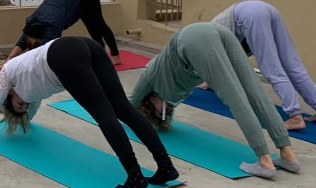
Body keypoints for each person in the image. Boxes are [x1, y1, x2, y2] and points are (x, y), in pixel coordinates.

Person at [0, 36, 179, 188]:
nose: (24, 104)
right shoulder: (29, 89)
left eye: (18, 103)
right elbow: (30, 112)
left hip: (64, 55)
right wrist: (24, 116)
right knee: (122, 109)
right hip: (81, 46)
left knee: (105, 115)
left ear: (10, 94)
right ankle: (165, 166)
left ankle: (135, 175)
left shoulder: (6, 75)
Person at [129, 22, 302, 179]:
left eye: (160, 112)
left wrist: (107, 114)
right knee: (254, 92)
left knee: (237, 98)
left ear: (151, 100)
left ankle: (265, 161)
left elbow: (128, 104)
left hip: (193, 38)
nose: (168, 110)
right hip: (214, 33)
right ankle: (288, 156)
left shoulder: (150, 75)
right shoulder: (174, 95)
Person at [212, 1, 316, 130]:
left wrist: (207, 80)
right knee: (293, 66)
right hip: (266, 8)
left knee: (272, 69)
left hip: (249, 14)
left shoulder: (207, 41)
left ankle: (295, 117)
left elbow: (214, 64)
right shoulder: (215, 31)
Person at [5, 0, 120, 66]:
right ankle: (102, 54)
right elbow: (23, 39)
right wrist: (11, 58)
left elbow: (43, 53)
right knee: (89, 23)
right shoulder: (32, 21)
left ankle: (115, 56)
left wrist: (20, 64)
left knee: (98, 23)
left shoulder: (52, 27)